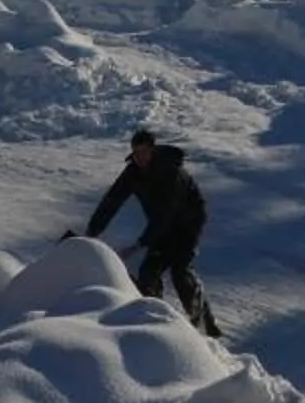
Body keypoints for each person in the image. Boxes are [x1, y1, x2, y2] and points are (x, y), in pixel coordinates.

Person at [84, 128, 221, 337]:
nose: (140, 157)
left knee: (180, 271)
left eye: (144, 152)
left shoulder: (171, 171)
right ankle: (158, 327)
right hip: (161, 226)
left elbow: (166, 212)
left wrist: (141, 243)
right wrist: (92, 232)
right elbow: (112, 200)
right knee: (148, 273)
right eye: (136, 152)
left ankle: (205, 329)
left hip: (187, 224)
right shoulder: (133, 172)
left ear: (153, 150)